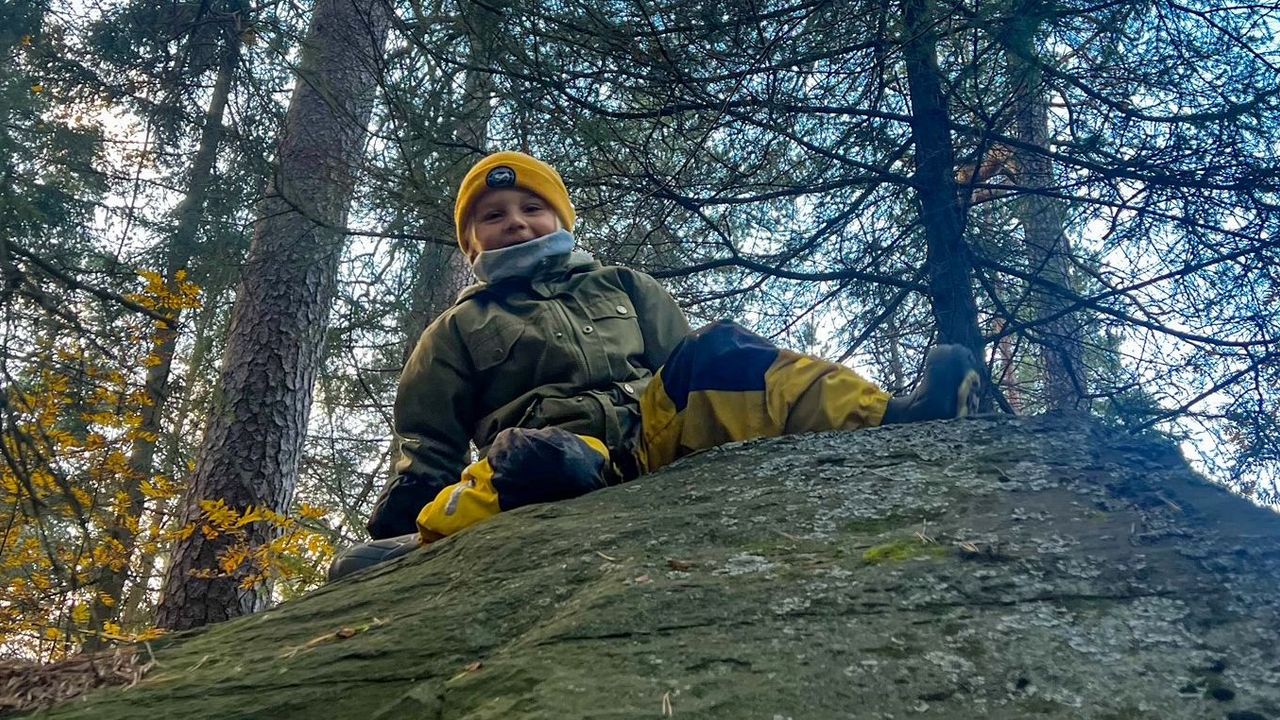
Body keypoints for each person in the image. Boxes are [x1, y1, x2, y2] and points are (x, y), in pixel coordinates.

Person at [328, 151, 981, 580]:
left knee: (723, 350)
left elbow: (681, 369)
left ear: (561, 217)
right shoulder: (455, 330)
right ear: (472, 241)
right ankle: (420, 548)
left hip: (651, 439)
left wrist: (704, 396)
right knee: (525, 459)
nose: (517, 223)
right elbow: (428, 441)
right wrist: (396, 520)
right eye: (494, 216)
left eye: (533, 209)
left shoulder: (625, 286)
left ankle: (890, 417)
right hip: (560, 452)